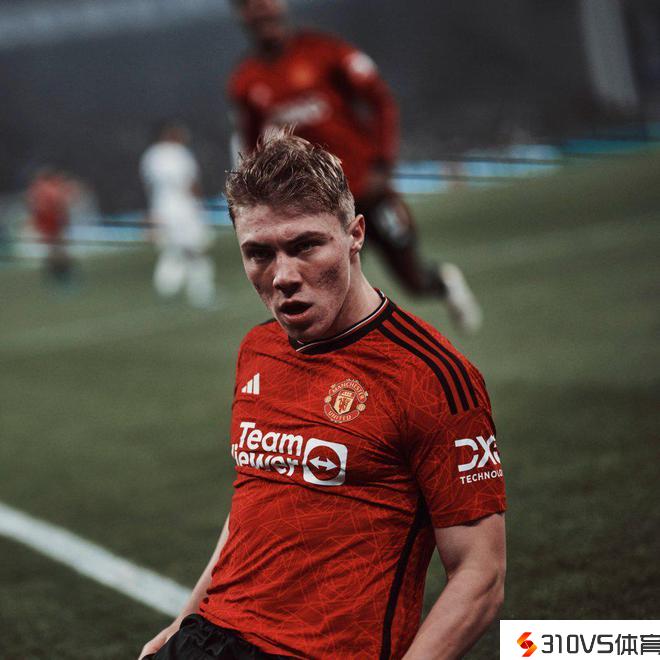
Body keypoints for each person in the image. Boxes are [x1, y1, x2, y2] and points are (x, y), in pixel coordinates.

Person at [139, 130, 506, 660]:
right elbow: (253, 500)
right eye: (259, 253)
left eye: (306, 245)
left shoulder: (432, 376)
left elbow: (480, 575)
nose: (283, 276)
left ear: (355, 234)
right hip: (207, 639)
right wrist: (184, 620)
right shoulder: (258, 348)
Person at [227, 0, 482, 333]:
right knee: (323, 293)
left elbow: (380, 100)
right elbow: (254, 148)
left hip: (365, 191)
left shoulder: (324, 51)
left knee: (413, 280)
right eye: (248, 5)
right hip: (313, 208)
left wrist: (381, 163)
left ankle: (442, 283)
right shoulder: (246, 81)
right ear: (241, 15)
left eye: (265, 2)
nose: (260, 10)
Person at [140, 120, 216, 308]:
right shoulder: (180, 153)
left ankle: (166, 289)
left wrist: (152, 213)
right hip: (185, 209)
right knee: (196, 251)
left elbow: (149, 187)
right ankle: (202, 293)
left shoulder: (151, 156)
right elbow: (190, 184)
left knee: (173, 251)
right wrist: (200, 206)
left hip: (162, 209)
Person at [26, 167, 76, 285]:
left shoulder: (36, 188)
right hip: (54, 221)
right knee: (59, 249)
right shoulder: (51, 188)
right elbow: (59, 204)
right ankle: (63, 275)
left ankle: (56, 275)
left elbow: (32, 206)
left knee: (53, 250)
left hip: (45, 223)